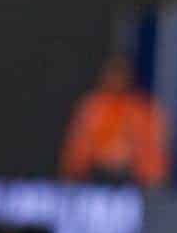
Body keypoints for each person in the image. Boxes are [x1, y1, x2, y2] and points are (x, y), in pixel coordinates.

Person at [60, 53, 168, 187]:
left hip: (130, 180)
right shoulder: (93, 107)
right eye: (112, 73)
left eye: (120, 74)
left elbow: (150, 151)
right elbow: (78, 147)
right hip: (95, 177)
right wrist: (72, 176)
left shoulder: (140, 109)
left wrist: (151, 181)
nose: (115, 79)